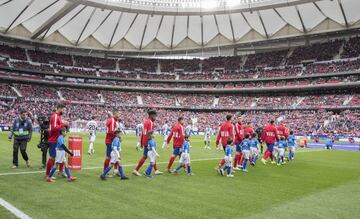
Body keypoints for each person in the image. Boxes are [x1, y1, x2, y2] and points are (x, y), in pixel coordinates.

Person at [133, 110, 162, 176]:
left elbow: (143, 133)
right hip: (149, 142)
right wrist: (151, 141)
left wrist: (141, 142)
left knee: (149, 156)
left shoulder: (146, 122)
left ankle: (156, 170)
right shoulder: (150, 123)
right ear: (152, 116)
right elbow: (150, 134)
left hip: (145, 141)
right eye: (155, 116)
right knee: (148, 156)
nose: (155, 118)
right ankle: (136, 170)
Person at [46, 104, 69, 178]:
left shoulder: (57, 116)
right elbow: (54, 128)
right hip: (54, 140)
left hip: (57, 140)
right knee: (52, 157)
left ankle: (61, 172)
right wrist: (63, 124)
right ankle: (47, 174)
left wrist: (62, 124)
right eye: (63, 109)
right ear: (59, 108)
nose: (63, 111)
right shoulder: (55, 116)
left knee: (63, 156)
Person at [103, 110, 120, 175]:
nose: (119, 115)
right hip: (111, 141)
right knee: (109, 157)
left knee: (116, 155)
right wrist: (118, 136)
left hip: (111, 140)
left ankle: (115, 171)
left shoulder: (112, 120)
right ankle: (105, 172)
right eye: (118, 114)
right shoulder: (112, 120)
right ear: (115, 114)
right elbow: (112, 131)